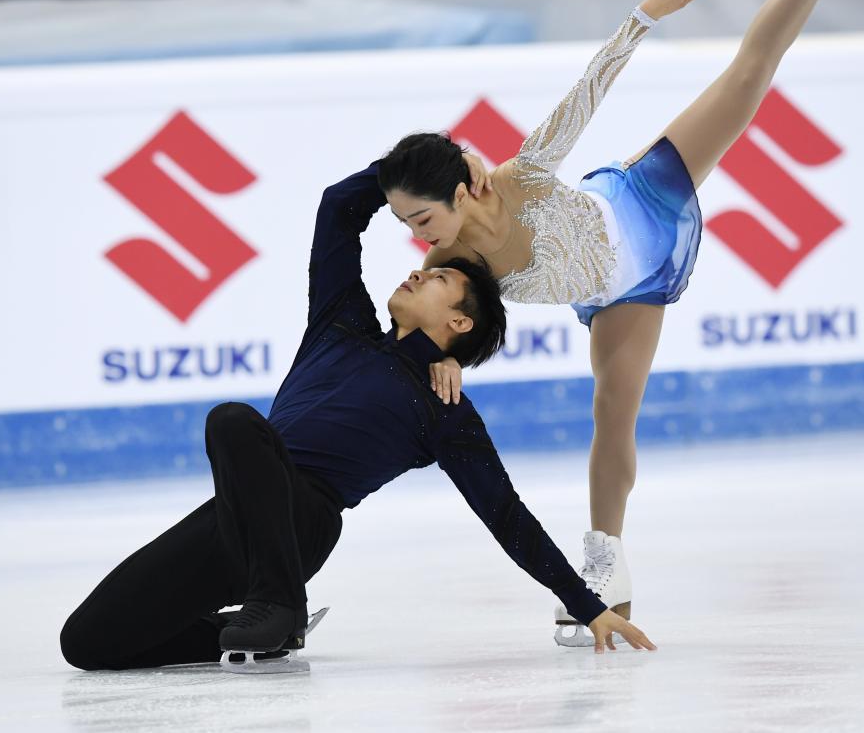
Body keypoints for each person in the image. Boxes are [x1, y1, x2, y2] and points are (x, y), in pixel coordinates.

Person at [377, 0, 864, 644]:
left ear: (464, 187)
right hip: (630, 288)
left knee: (747, 73)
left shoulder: (519, 177)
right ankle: (606, 566)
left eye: (422, 218)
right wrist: (433, 358)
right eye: (407, 225)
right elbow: (422, 321)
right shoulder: (450, 263)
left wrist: (644, 17)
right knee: (612, 411)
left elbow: (584, 94)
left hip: (642, 198)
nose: (420, 240)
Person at [59, 160, 657, 674]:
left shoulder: (444, 409)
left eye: (440, 278)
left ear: (460, 323)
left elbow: (504, 514)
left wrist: (586, 604)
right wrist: (425, 170)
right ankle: (267, 628)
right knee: (86, 643)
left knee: (233, 421)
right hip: (237, 516)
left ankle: (278, 603)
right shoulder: (340, 322)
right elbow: (339, 209)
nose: (421, 268)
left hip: (304, 524)